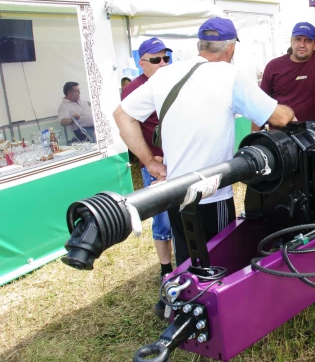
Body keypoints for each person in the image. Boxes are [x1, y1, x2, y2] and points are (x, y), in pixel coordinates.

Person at [114, 17, 294, 269]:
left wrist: (148, 162)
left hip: (174, 192)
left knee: (187, 261)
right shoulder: (230, 75)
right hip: (212, 194)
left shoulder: (166, 75)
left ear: (201, 45)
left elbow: (122, 116)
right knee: (219, 262)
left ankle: (182, 301)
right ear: (231, 48)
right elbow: (281, 117)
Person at [121, 37, 174, 280]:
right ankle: (166, 269)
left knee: (185, 215)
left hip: (180, 160)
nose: (163, 63)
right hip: (156, 166)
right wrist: (150, 160)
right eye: (156, 59)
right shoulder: (134, 90)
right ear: (142, 63)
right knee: (162, 221)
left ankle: (187, 262)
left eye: (166, 57)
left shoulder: (174, 82)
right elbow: (127, 127)